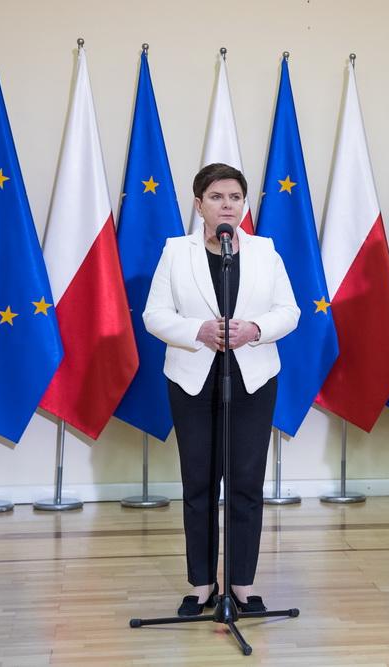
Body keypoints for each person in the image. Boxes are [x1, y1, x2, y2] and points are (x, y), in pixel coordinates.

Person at [143, 163, 299, 615]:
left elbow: (289, 312)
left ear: (244, 205)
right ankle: (201, 584)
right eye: (216, 197)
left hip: (253, 377)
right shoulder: (176, 252)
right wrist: (198, 330)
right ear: (199, 204)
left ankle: (243, 584)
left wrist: (254, 328)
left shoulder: (265, 251)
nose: (226, 204)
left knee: (247, 482)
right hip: (193, 378)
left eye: (234, 197)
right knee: (200, 481)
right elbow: (154, 315)